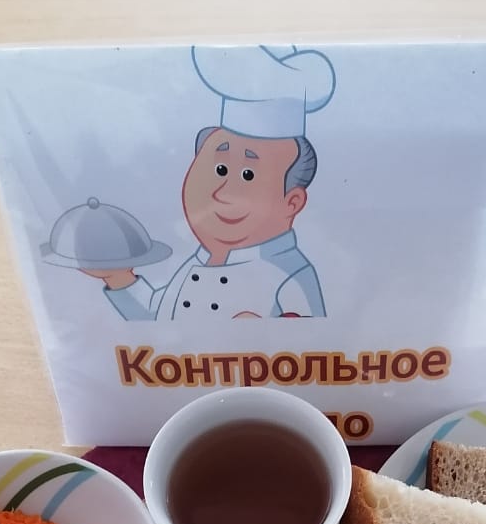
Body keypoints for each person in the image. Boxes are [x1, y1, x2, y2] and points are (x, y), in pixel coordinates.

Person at [82, 45, 335, 320]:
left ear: (292, 202)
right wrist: (118, 277)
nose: (223, 193)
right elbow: (159, 319)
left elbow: (315, 339)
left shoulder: (290, 275)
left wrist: (269, 333)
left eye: (248, 175)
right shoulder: (197, 262)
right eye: (220, 169)